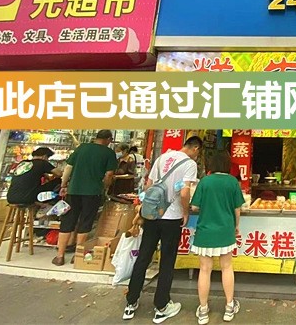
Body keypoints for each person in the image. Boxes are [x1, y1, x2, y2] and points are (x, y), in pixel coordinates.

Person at [123, 136, 203, 324]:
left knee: (143, 257)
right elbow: (185, 192)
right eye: (198, 152)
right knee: (167, 261)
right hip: (171, 218)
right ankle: (161, 306)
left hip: (152, 216)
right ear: (195, 148)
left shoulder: (162, 158)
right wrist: (185, 212)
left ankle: (131, 302)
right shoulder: (189, 164)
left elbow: (148, 185)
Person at [190, 150, 245, 325]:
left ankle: (203, 310)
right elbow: (237, 209)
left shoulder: (205, 181)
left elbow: (194, 207)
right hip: (225, 230)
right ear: (227, 164)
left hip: (205, 231)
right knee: (226, 268)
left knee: (204, 270)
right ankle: (229, 307)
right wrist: (236, 226)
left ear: (212, 164)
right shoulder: (232, 182)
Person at [52, 129, 118, 266]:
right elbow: (109, 174)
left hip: (73, 190)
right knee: (85, 222)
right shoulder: (109, 153)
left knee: (68, 221)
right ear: (108, 139)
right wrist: (105, 186)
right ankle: (77, 254)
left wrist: (64, 184)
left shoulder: (81, 148)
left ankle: (60, 256)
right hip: (93, 192)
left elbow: (68, 168)